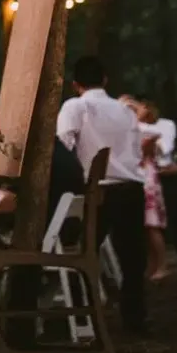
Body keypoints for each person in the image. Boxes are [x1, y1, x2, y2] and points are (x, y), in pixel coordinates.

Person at [57, 56, 147, 332]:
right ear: (105, 79)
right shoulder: (126, 111)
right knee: (133, 259)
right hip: (131, 187)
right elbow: (136, 151)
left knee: (83, 253)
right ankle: (134, 320)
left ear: (75, 84)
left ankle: (82, 315)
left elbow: (62, 145)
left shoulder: (76, 106)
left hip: (97, 191)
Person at [124, 97, 169, 281]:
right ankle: (152, 265)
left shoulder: (144, 131)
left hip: (147, 178)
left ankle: (163, 264)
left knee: (152, 225)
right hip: (141, 176)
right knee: (146, 226)